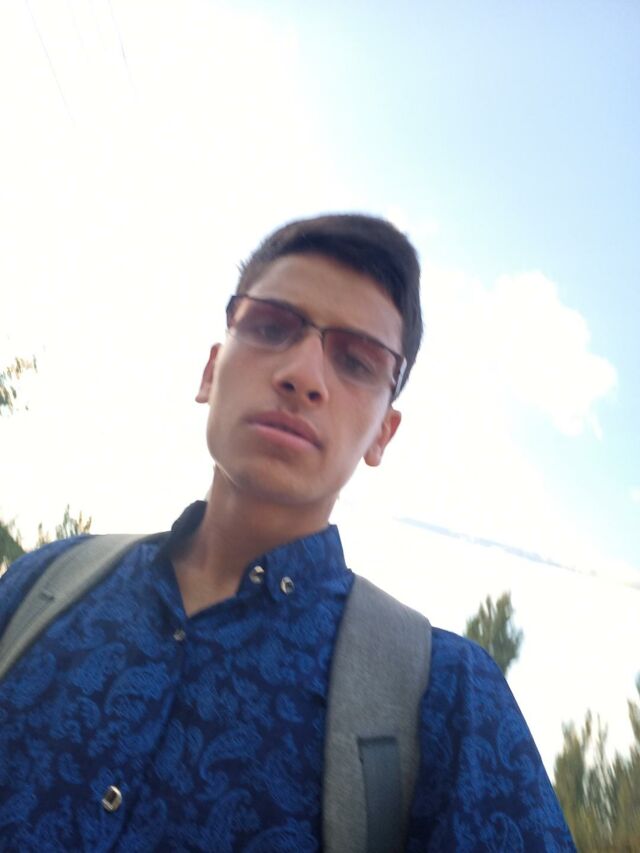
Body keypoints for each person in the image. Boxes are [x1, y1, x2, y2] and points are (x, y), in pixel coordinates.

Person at [0, 213, 574, 850]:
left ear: (383, 434)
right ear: (210, 371)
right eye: (272, 327)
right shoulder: (38, 589)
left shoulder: (446, 700)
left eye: (356, 361)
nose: (303, 374)